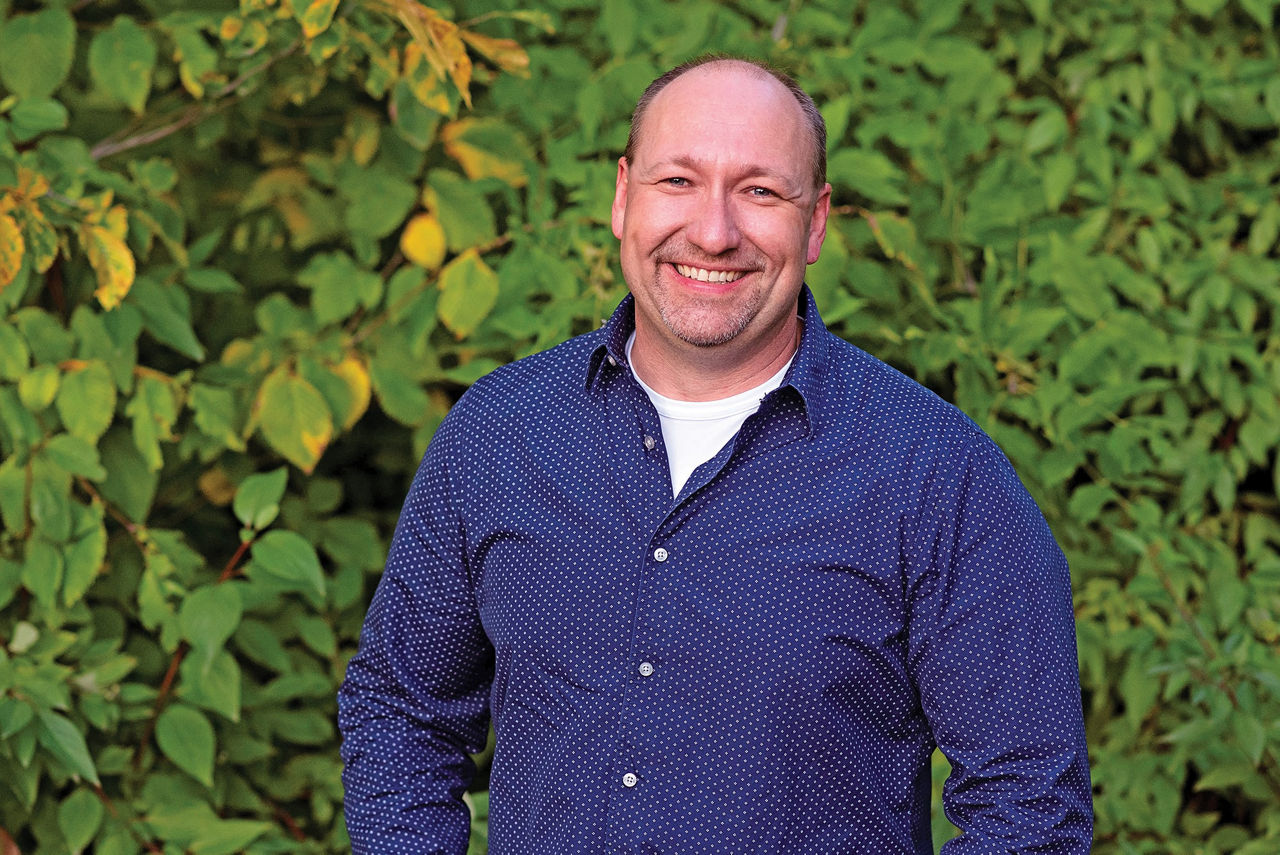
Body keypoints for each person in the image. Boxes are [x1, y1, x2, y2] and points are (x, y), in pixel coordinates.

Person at [338, 56, 1093, 853]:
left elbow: (1029, 806)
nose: (713, 231)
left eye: (760, 191)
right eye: (678, 182)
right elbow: (401, 708)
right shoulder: (501, 435)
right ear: (623, 195)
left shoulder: (936, 475)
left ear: (818, 220)